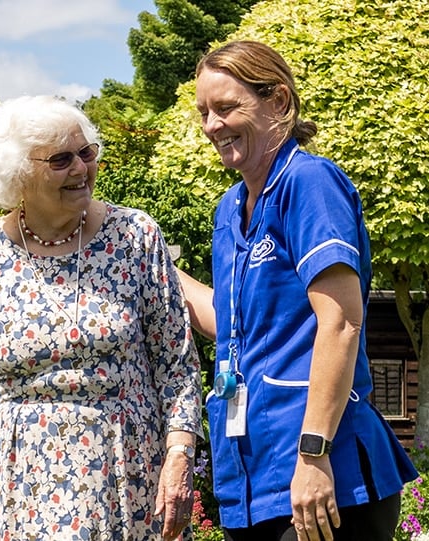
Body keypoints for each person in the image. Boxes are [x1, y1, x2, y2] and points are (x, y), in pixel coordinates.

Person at [0, 95, 203, 541]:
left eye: (86, 152)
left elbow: (176, 366)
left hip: (124, 475)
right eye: (61, 160)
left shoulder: (137, 238)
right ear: (19, 173)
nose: (81, 169)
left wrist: (179, 455)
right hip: (14, 485)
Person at [176, 40, 418, 541]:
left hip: (322, 475)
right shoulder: (230, 210)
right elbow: (235, 326)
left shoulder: (308, 183)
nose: (210, 126)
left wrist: (313, 456)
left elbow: (341, 321)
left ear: (279, 102)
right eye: (203, 112)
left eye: (225, 108)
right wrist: (153, 259)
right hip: (255, 477)